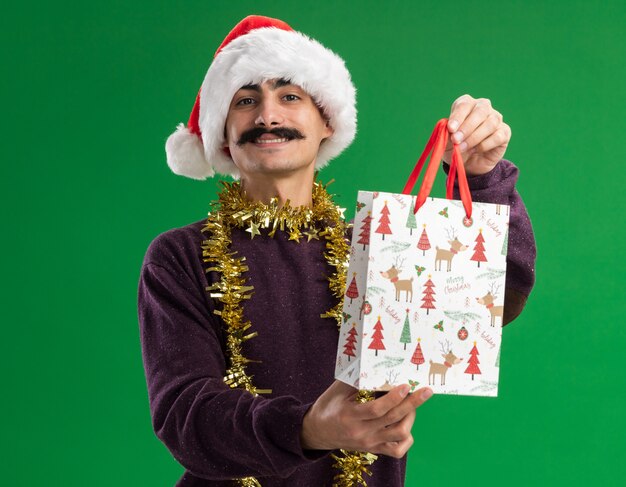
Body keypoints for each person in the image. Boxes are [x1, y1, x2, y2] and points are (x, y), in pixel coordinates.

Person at [138, 15, 536, 487]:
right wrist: (308, 430)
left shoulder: (381, 246)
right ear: (221, 133)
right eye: (245, 101)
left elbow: (494, 300)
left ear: (326, 120)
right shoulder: (179, 257)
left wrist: (481, 177)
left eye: (290, 96)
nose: (268, 115)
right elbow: (185, 415)